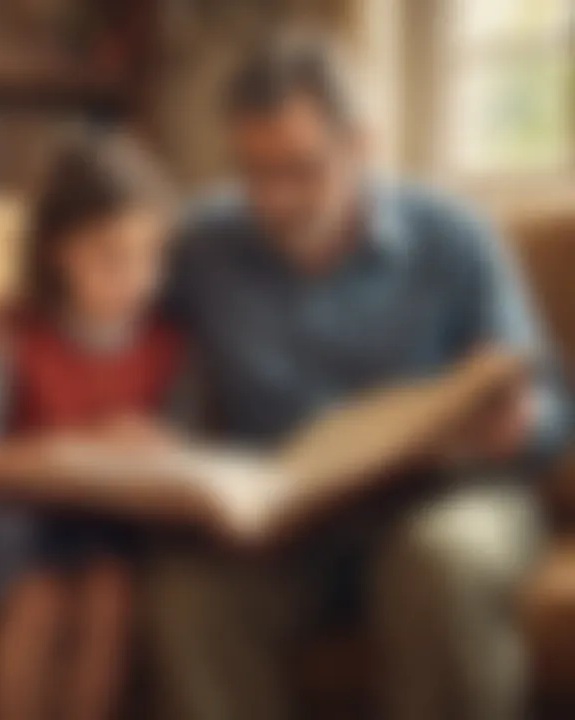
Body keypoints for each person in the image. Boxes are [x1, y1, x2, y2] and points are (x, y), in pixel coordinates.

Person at [146, 34, 569, 720]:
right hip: (288, 520)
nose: (275, 200)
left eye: (301, 170)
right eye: (253, 173)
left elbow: (549, 409)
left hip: (442, 501)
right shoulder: (204, 245)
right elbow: (101, 319)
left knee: (440, 563)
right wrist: (14, 328)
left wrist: (521, 422)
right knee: (189, 593)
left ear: (363, 146)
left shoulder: (455, 236)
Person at [0, 136, 184, 720]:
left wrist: (163, 451)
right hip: (10, 524)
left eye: (150, 257)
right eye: (110, 257)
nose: (135, 279)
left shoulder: (167, 346)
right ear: (57, 252)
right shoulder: (10, 336)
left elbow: (182, 453)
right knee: (39, 597)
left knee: (111, 592)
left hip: (105, 526)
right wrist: (65, 450)